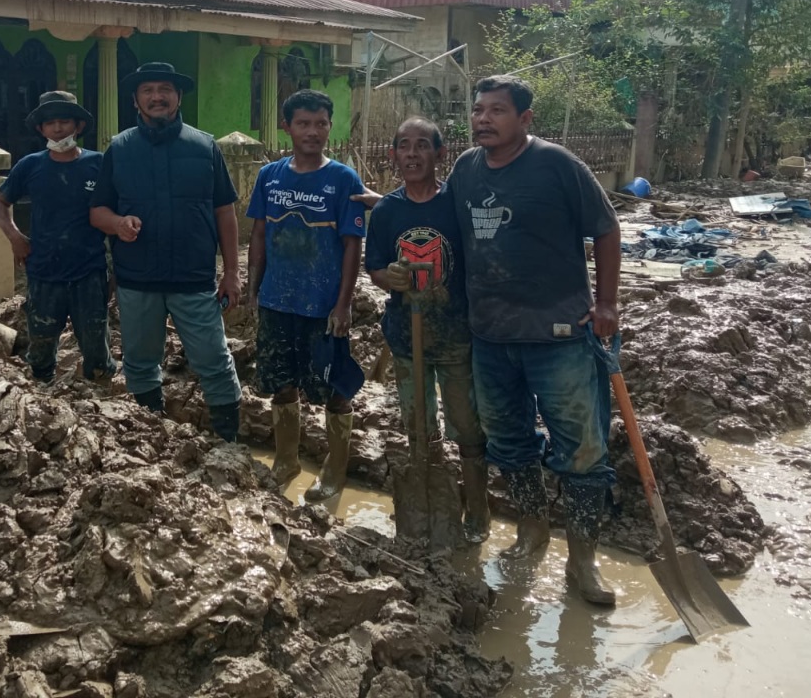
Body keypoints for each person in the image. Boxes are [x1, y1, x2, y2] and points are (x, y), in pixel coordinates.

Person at [447, 74, 621, 606]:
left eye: (496, 111)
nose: (483, 119)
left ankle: (583, 560)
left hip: (560, 334)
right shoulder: (465, 170)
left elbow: (606, 229)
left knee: (583, 448)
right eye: (478, 110)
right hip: (492, 337)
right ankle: (531, 531)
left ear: (524, 120)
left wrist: (607, 303)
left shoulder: (558, 165)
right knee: (508, 440)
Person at [89, 62, 243, 441]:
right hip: (137, 278)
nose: (157, 96)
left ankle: (229, 443)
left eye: (165, 89)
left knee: (214, 361)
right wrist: (118, 224)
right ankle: (152, 439)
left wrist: (232, 272)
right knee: (140, 364)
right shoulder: (120, 148)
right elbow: (97, 211)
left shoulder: (205, 146)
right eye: (148, 90)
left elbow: (225, 211)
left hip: (193, 278)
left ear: (177, 97)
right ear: (135, 100)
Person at [364, 117, 491, 543]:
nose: (413, 154)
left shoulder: (455, 205)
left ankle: (477, 511)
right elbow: (376, 266)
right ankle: (431, 497)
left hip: (456, 334)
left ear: (440, 154)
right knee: (417, 422)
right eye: (404, 146)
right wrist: (391, 278)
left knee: (467, 426)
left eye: (423, 146)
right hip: (406, 335)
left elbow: (478, 258)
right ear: (393, 156)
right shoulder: (386, 211)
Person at [247, 89, 366, 501]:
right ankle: (286, 461)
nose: (312, 132)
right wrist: (253, 289)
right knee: (282, 384)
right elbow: (260, 233)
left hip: (323, 307)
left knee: (334, 389)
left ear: (329, 126)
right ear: (287, 127)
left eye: (320, 124)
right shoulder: (270, 176)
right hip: (277, 300)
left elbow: (352, 244)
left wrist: (344, 303)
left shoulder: (343, 180)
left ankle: (334, 473)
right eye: (303, 123)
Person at [0, 91, 116, 384]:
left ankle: (100, 406)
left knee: (97, 353)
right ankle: (42, 400)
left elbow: (116, 216)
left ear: (79, 127)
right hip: (44, 272)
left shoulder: (99, 165)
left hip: (89, 273)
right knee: (41, 351)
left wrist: (116, 271)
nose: (58, 128)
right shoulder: (30, 166)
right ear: (41, 129)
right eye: (51, 123)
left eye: (64, 121)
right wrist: (15, 237)